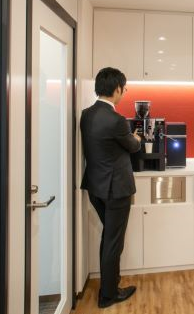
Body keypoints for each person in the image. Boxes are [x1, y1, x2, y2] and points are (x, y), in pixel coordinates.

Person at [80, 67, 141, 308]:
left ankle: (110, 284)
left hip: (96, 187)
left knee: (109, 237)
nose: (124, 92)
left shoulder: (86, 114)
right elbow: (132, 146)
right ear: (116, 89)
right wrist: (137, 138)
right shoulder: (117, 120)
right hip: (116, 190)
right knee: (114, 241)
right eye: (124, 88)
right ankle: (108, 295)